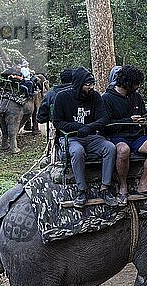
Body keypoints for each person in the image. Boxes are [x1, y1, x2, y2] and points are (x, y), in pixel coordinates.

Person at [52, 66, 118, 208]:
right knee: (77, 151)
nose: (91, 87)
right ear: (78, 84)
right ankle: (81, 190)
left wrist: (89, 127)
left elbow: (104, 118)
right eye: (88, 84)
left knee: (110, 148)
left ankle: (105, 188)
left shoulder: (95, 96)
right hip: (71, 137)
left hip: (92, 136)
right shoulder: (62, 97)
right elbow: (57, 122)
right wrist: (77, 127)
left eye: (92, 84)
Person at [101, 65, 147, 204]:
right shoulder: (106, 98)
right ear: (128, 83)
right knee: (123, 150)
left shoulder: (136, 97)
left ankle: (143, 184)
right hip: (117, 136)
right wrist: (128, 120)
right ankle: (123, 186)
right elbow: (105, 124)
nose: (138, 87)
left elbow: (144, 114)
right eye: (136, 84)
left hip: (136, 135)